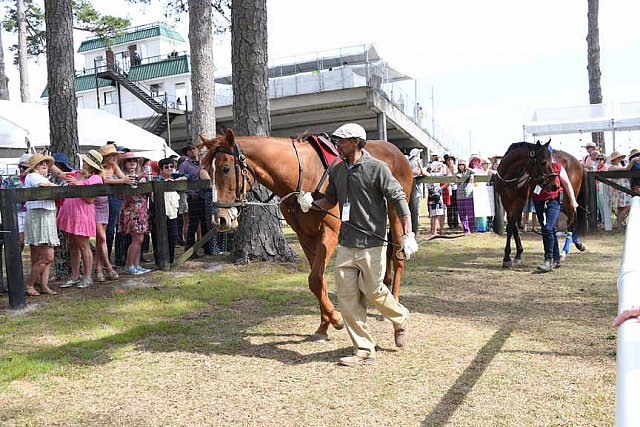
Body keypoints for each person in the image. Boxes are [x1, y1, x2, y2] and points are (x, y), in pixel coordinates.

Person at [297, 123, 418, 367]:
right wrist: (311, 201)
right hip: (346, 244)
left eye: (341, 141)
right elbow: (330, 198)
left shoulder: (378, 168)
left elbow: (398, 199)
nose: (337, 145)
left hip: (372, 243)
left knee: (373, 291)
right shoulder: (338, 170)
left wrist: (408, 234)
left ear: (355, 142)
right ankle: (363, 348)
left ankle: (400, 316)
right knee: (347, 297)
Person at [57, 150, 105, 289]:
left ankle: (88, 276)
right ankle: (74, 275)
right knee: (72, 244)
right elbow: (61, 174)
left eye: (86, 162)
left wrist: (76, 184)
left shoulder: (96, 178)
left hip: (82, 213)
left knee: (84, 245)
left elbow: (90, 197)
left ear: (92, 165)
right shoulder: (77, 174)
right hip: (70, 212)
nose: (83, 163)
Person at [532, 158, 579, 272]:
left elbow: (567, 183)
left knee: (548, 227)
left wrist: (573, 200)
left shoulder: (557, 167)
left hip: (554, 200)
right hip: (538, 200)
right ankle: (557, 259)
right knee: (547, 229)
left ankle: (548, 259)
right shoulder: (533, 169)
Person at [23, 153, 59, 296]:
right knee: (48, 256)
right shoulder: (32, 176)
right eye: (41, 163)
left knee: (47, 254)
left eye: (46, 163)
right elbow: (43, 185)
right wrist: (52, 185)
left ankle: (44, 285)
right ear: (34, 166)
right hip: (38, 216)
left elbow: (51, 185)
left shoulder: (43, 177)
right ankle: (30, 284)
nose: (44, 165)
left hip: (48, 216)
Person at [118, 152, 151, 275]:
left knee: (139, 239)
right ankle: (129, 265)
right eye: (129, 160)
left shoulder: (141, 175)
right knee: (137, 239)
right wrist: (140, 176)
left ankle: (136, 265)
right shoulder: (124, 176)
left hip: (141, 210)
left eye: (135, 160)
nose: (132, 162)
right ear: (124, 164)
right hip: (132, 211)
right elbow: (130, 184)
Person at [151, 158, 186, 264]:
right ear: (161, 169)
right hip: (159, 213)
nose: (169, 169)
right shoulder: (157, 179)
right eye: (166, 167)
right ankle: (159, 260)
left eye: (172, 166)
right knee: (159, 237)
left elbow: (187, 176)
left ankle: (170, 260)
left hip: (173, 212)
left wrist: (177, 180)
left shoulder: (174, 177)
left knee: (172, 236)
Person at [179, 143, 210, 259]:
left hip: (205, 196)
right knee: (193, 224)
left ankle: (207, 248)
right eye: (189, 150)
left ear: (197, 150)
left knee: (206, 223)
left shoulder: (204, 162)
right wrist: (190, 193)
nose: (192, 151)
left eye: (194, 148)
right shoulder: (184, 165)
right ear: (186, 152)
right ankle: (190, 249)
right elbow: (181, 180)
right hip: (194, 198)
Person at [1, 153, 32, 252]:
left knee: (34, 244)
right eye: (20, 167)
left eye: (24, 167)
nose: (22, 169)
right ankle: (17, 265)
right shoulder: (11, 180)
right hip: (17, 213)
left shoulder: (35, 179)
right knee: (19, 242)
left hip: (32, 213)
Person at [607, 151, 631, 230]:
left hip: (622, 188)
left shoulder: (619, 165)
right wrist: (633, 162)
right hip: (619, 189)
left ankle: (619, 225)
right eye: (618, 158)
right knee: (627, 206)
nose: (620, 159)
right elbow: (626, 169)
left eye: (620, 158)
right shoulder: (611, 167)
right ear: (614, 159)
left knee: (621, 207)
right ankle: (619, 224)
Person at [407, 147, 428, 233]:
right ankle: (414, 229)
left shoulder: (409, 161)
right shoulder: (416, 161)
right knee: (415, 207)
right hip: (414, 184)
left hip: (411, 183)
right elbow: (422, 172)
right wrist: (427, 173)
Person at [456, 159, 476, 234]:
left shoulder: (469, 171)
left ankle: (472, 229)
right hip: (459, 196)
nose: (461, 166)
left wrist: (472, 176)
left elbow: (474, 172)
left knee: (470, 213)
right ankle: (466, 229)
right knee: (462, 214)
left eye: (462, 165)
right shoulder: (457, 173)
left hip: (468, 195)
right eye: (459, 165)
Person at [443, 155, 459, 229]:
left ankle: (456, 222)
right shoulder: (445, 169)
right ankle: (450, 223)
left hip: (455, 189)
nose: (450, 162)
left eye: (451, 160)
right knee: (449, 207)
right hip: (448, 189)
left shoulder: (456, 169)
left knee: (455, 207)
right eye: (448, 160)